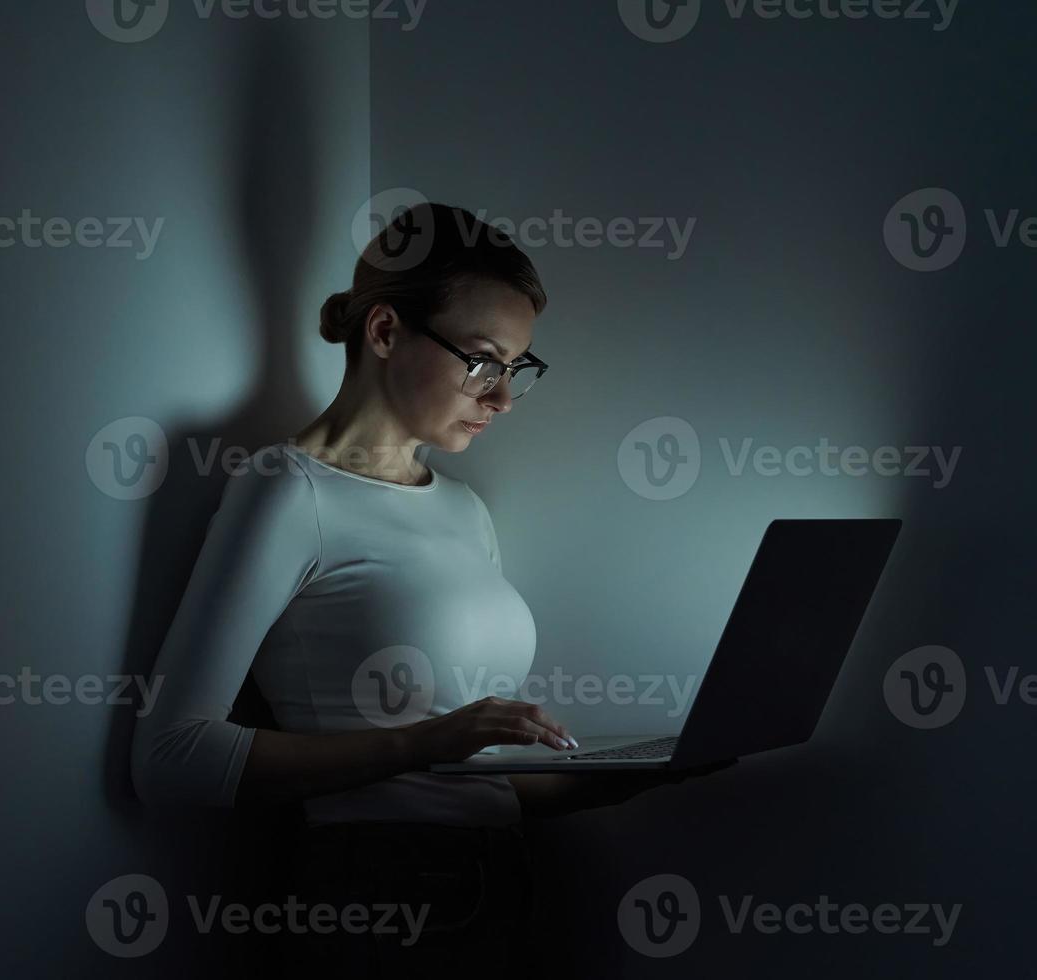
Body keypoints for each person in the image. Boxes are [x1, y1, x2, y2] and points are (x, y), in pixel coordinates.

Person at [131, 203, 727, 975]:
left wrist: (638, 769)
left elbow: (476, 776)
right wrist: (421, 743)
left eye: (516, 369)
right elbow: (170, 757)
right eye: (482, 362)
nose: (502, 398)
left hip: (506, 881)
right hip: (377, 894)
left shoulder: (464, 509)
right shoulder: (286, 491)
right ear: (383, 333)